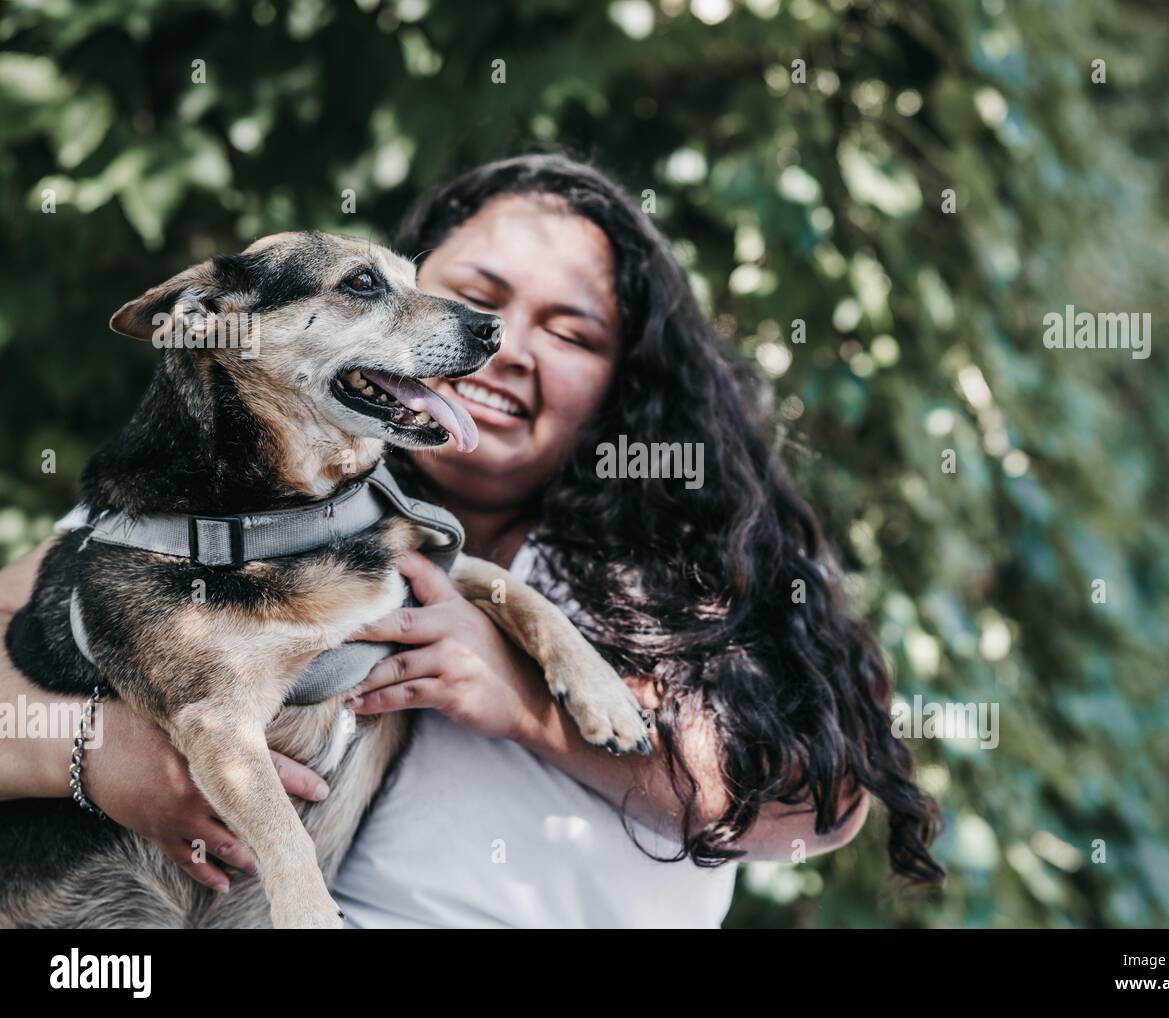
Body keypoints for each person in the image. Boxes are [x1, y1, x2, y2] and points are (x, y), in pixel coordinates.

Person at [0, 153, 943, 927]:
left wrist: (522, 698)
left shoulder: (672, 577)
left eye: (571, 332)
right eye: (477, 294)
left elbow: (811, 804)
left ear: (627, 382)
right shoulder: (216, 512)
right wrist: (92, 751)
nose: (502, 342)